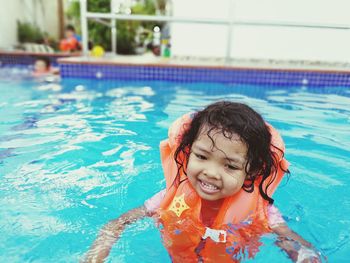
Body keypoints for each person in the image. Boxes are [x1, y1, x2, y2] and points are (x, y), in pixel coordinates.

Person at [85, 101, 321, 262]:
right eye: (201, 157)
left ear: (251, 171)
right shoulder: (168, 197)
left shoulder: (263, 211)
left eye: (230, 166)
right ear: (188, 152)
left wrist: (305, 255)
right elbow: (119, 223)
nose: (211, 172)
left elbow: (288, 239)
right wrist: (99, 251)